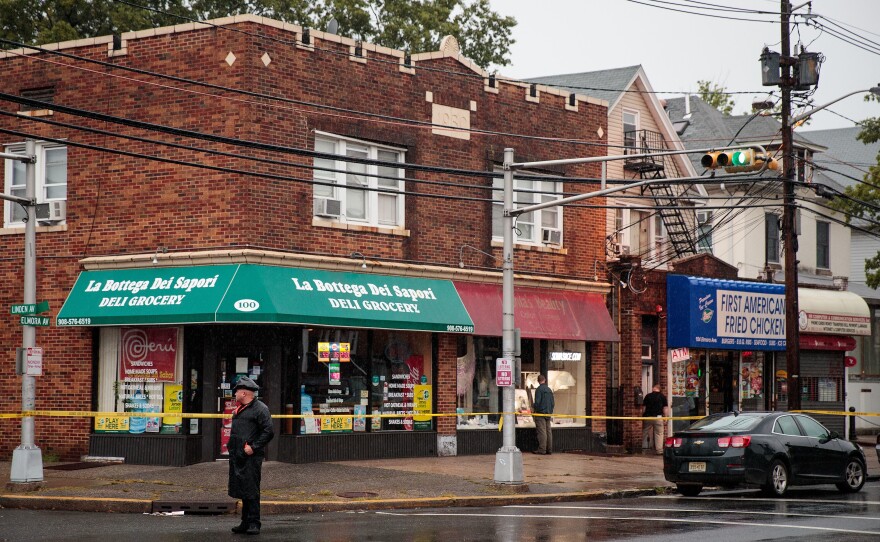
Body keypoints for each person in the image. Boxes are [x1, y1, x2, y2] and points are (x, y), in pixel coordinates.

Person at [228, 376, 274, 535]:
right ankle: (245, 522)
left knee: (252, 489)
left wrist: (253, 447)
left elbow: (268, 432)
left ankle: (254, 523)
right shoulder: (241, 408)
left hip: (250, 457)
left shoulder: (261, 409)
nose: (235, 395)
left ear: (244, 393)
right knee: (243, 489)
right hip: (238, 456)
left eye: (237, 392)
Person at [642, 384, 668, 455]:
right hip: (658, 417)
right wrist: (665, 417)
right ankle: (659, 450)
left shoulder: (647, 396)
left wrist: (643, 415)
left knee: (645, 431)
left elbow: (644, 408)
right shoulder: (662, 397)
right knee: (659, 433)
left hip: (648, 417)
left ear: (653, 388)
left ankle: (642, 447)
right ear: (659, 389)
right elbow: (665, 408)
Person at [532, 374, 554, 455]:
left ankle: (542, 449)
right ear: (545, 380)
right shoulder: (549, 389)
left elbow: (537, 402)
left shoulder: (539, 390)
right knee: (548, 431)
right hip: (548, 413)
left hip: (540, 413)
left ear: (538, 381)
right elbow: (553, 402)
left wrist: (534, 407)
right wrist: (550, 411)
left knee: (542, 431)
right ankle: (549, 449)